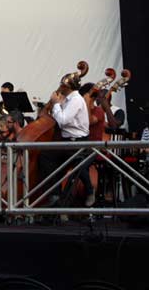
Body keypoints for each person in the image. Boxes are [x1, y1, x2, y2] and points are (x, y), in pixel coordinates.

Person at [38, 67, 90, 207]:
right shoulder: (66, 99)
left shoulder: (76, 100)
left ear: (68, 87)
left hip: (77, 142)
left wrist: (55, 104)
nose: (60, 88)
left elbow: (62, 120)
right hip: (66, 140)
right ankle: (54, 195)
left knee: (61, 160)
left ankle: (87, 191)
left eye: (62, 85)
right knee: (46, 157)